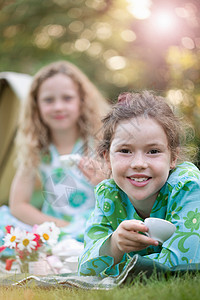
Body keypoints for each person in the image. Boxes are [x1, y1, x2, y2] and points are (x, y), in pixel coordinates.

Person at [78, 91, 200, 277]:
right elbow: (86, 269)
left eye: (153, 151)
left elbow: (183, 266)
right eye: (125, 151)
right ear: (107, 158)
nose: (139, 163)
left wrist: (122, 268)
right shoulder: (109, 194)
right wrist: (114, 245)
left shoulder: (186, 186)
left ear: (173, 157)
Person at [0, 60, 110, 243]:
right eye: (49, 100)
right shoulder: (36, 148)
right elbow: (18, 205)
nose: (58, 107)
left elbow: (120, 192)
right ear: (36, 106)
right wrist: (59, 227)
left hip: (96, 225)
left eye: (67, 98)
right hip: (54, 228)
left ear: (82, 100)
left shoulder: (99, 142)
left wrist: (104, 179)